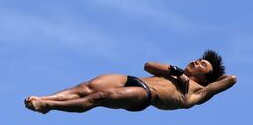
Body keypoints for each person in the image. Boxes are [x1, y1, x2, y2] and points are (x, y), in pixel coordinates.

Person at [24, 50, 236, 114]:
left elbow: (231, 79)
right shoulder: (174, 73)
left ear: (205, 77)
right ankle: (45, 97)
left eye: (202, 65)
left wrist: (206, 78)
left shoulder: (201, 92)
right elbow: (148, 66)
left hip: (146, 93)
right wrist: (176, 71)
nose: (196, 61)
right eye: (198, 59)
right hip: (130, 79)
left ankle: (49, 105)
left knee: (98, 97)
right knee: (84, 87)